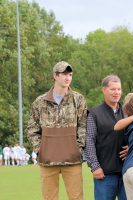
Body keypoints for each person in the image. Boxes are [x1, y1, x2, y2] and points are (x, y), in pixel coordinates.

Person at [27, 61, 87, 200]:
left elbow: (83, 126)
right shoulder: (40, 102)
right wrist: (40, 149)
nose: (68, 78)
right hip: (48, 160)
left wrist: (78, 148)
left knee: (77, 197)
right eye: (64, 74)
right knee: (49, 198)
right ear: (55, 75)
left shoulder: (78, 99)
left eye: (70, 74)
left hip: (72, 159)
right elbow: (32, 128)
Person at [85, 75, 128, 200]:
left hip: (127, 172)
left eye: (119, 89)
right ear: (104, 90)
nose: (116, 92)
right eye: (113, 89)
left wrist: (131, 147)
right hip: (104, 174)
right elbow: (88, 141)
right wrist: (95, 166)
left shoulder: (127, 113)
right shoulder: (94, 114)